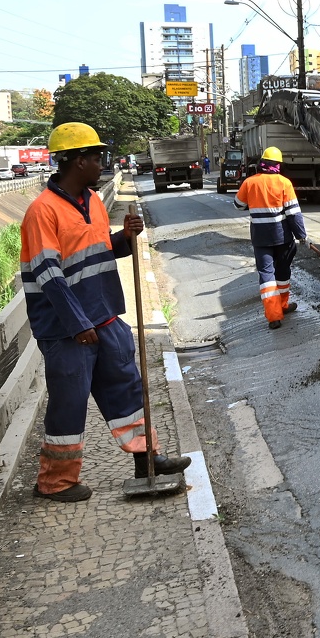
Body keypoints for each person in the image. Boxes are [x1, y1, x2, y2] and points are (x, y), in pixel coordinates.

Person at [20, 122, 191, 503]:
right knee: (70, 399)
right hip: (67, 327)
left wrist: (126, 237)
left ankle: (147, 459)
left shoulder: (94, 202)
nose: (102, 163)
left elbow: (99, 253)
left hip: (105, 313)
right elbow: (49, 276)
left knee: (127, 387)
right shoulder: (42, 212)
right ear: (77, 162)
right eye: (96, 158)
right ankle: (55, 482)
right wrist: (78, 325)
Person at [234, 146, 308, 329]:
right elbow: (293, 214)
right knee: (283, 272)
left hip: (260, 238)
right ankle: (282, 305)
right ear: (279, 165)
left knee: (267, 275)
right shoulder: (284, 183)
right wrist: (302, 236)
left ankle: (274, 316)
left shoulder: (250, 183)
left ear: (262, 164)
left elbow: (238, 205)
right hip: (283, 237)